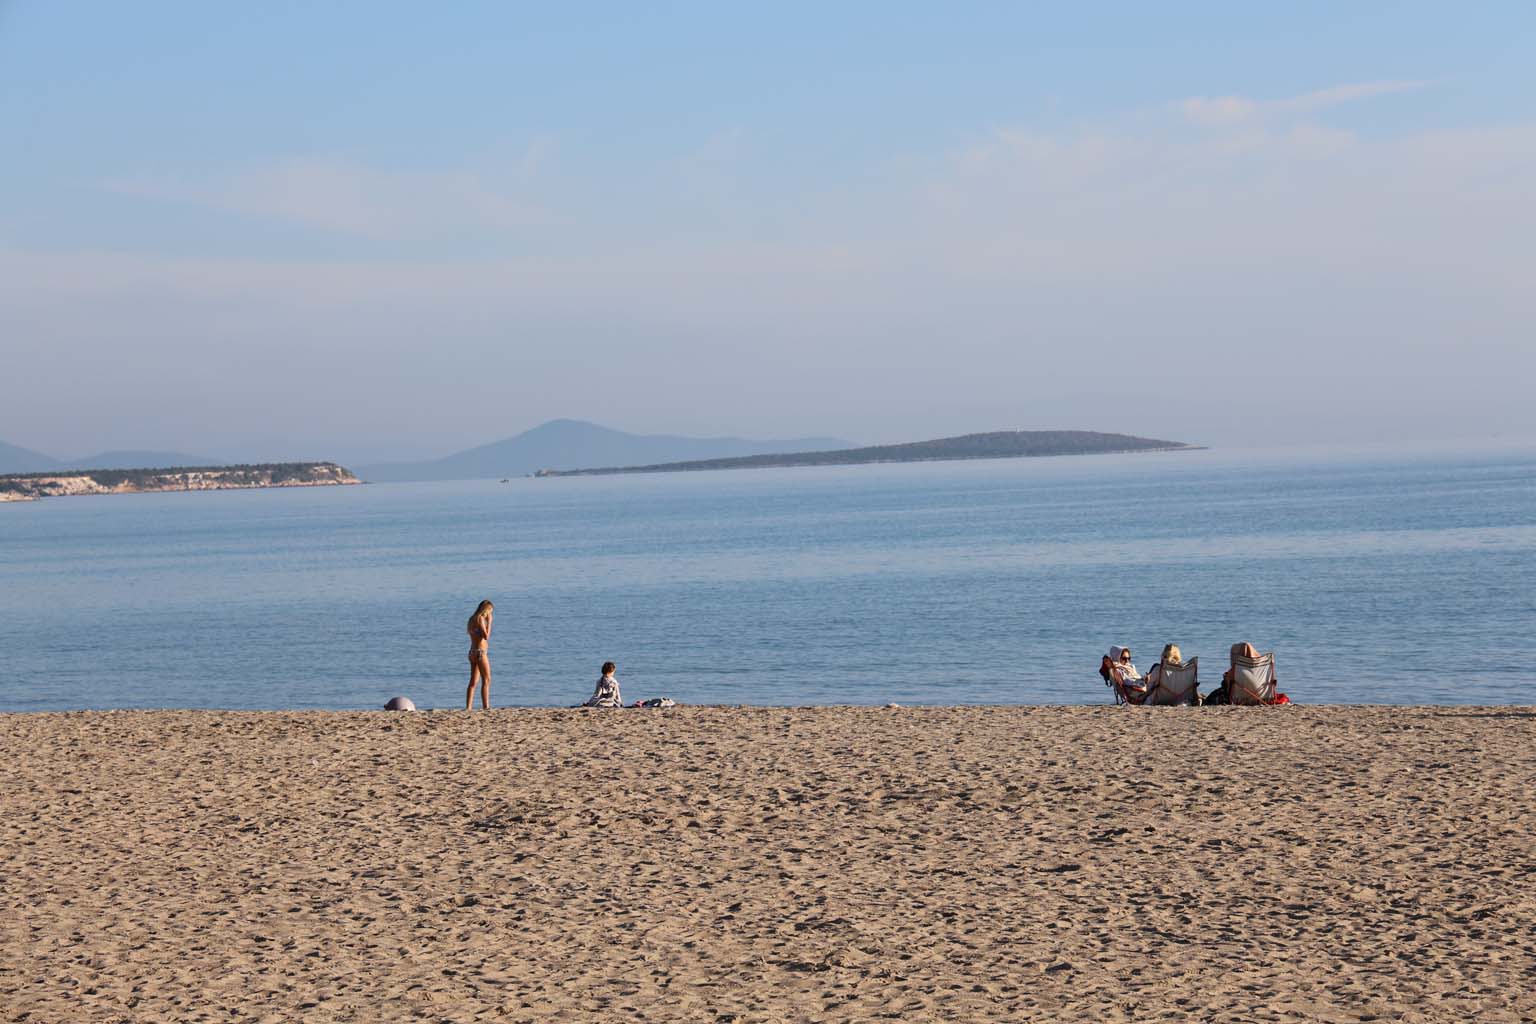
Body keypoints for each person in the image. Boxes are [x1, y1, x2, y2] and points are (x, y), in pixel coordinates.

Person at [465, 600, 493, 710]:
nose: (490, 614)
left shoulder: (471, 619)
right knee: (486, 680)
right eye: (490, 611)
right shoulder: (480, 619)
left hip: (472, 651)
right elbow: (486, 636)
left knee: (473, 681)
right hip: (480, 652)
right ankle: (486, 706)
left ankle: (468, 707)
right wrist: (489, 622)